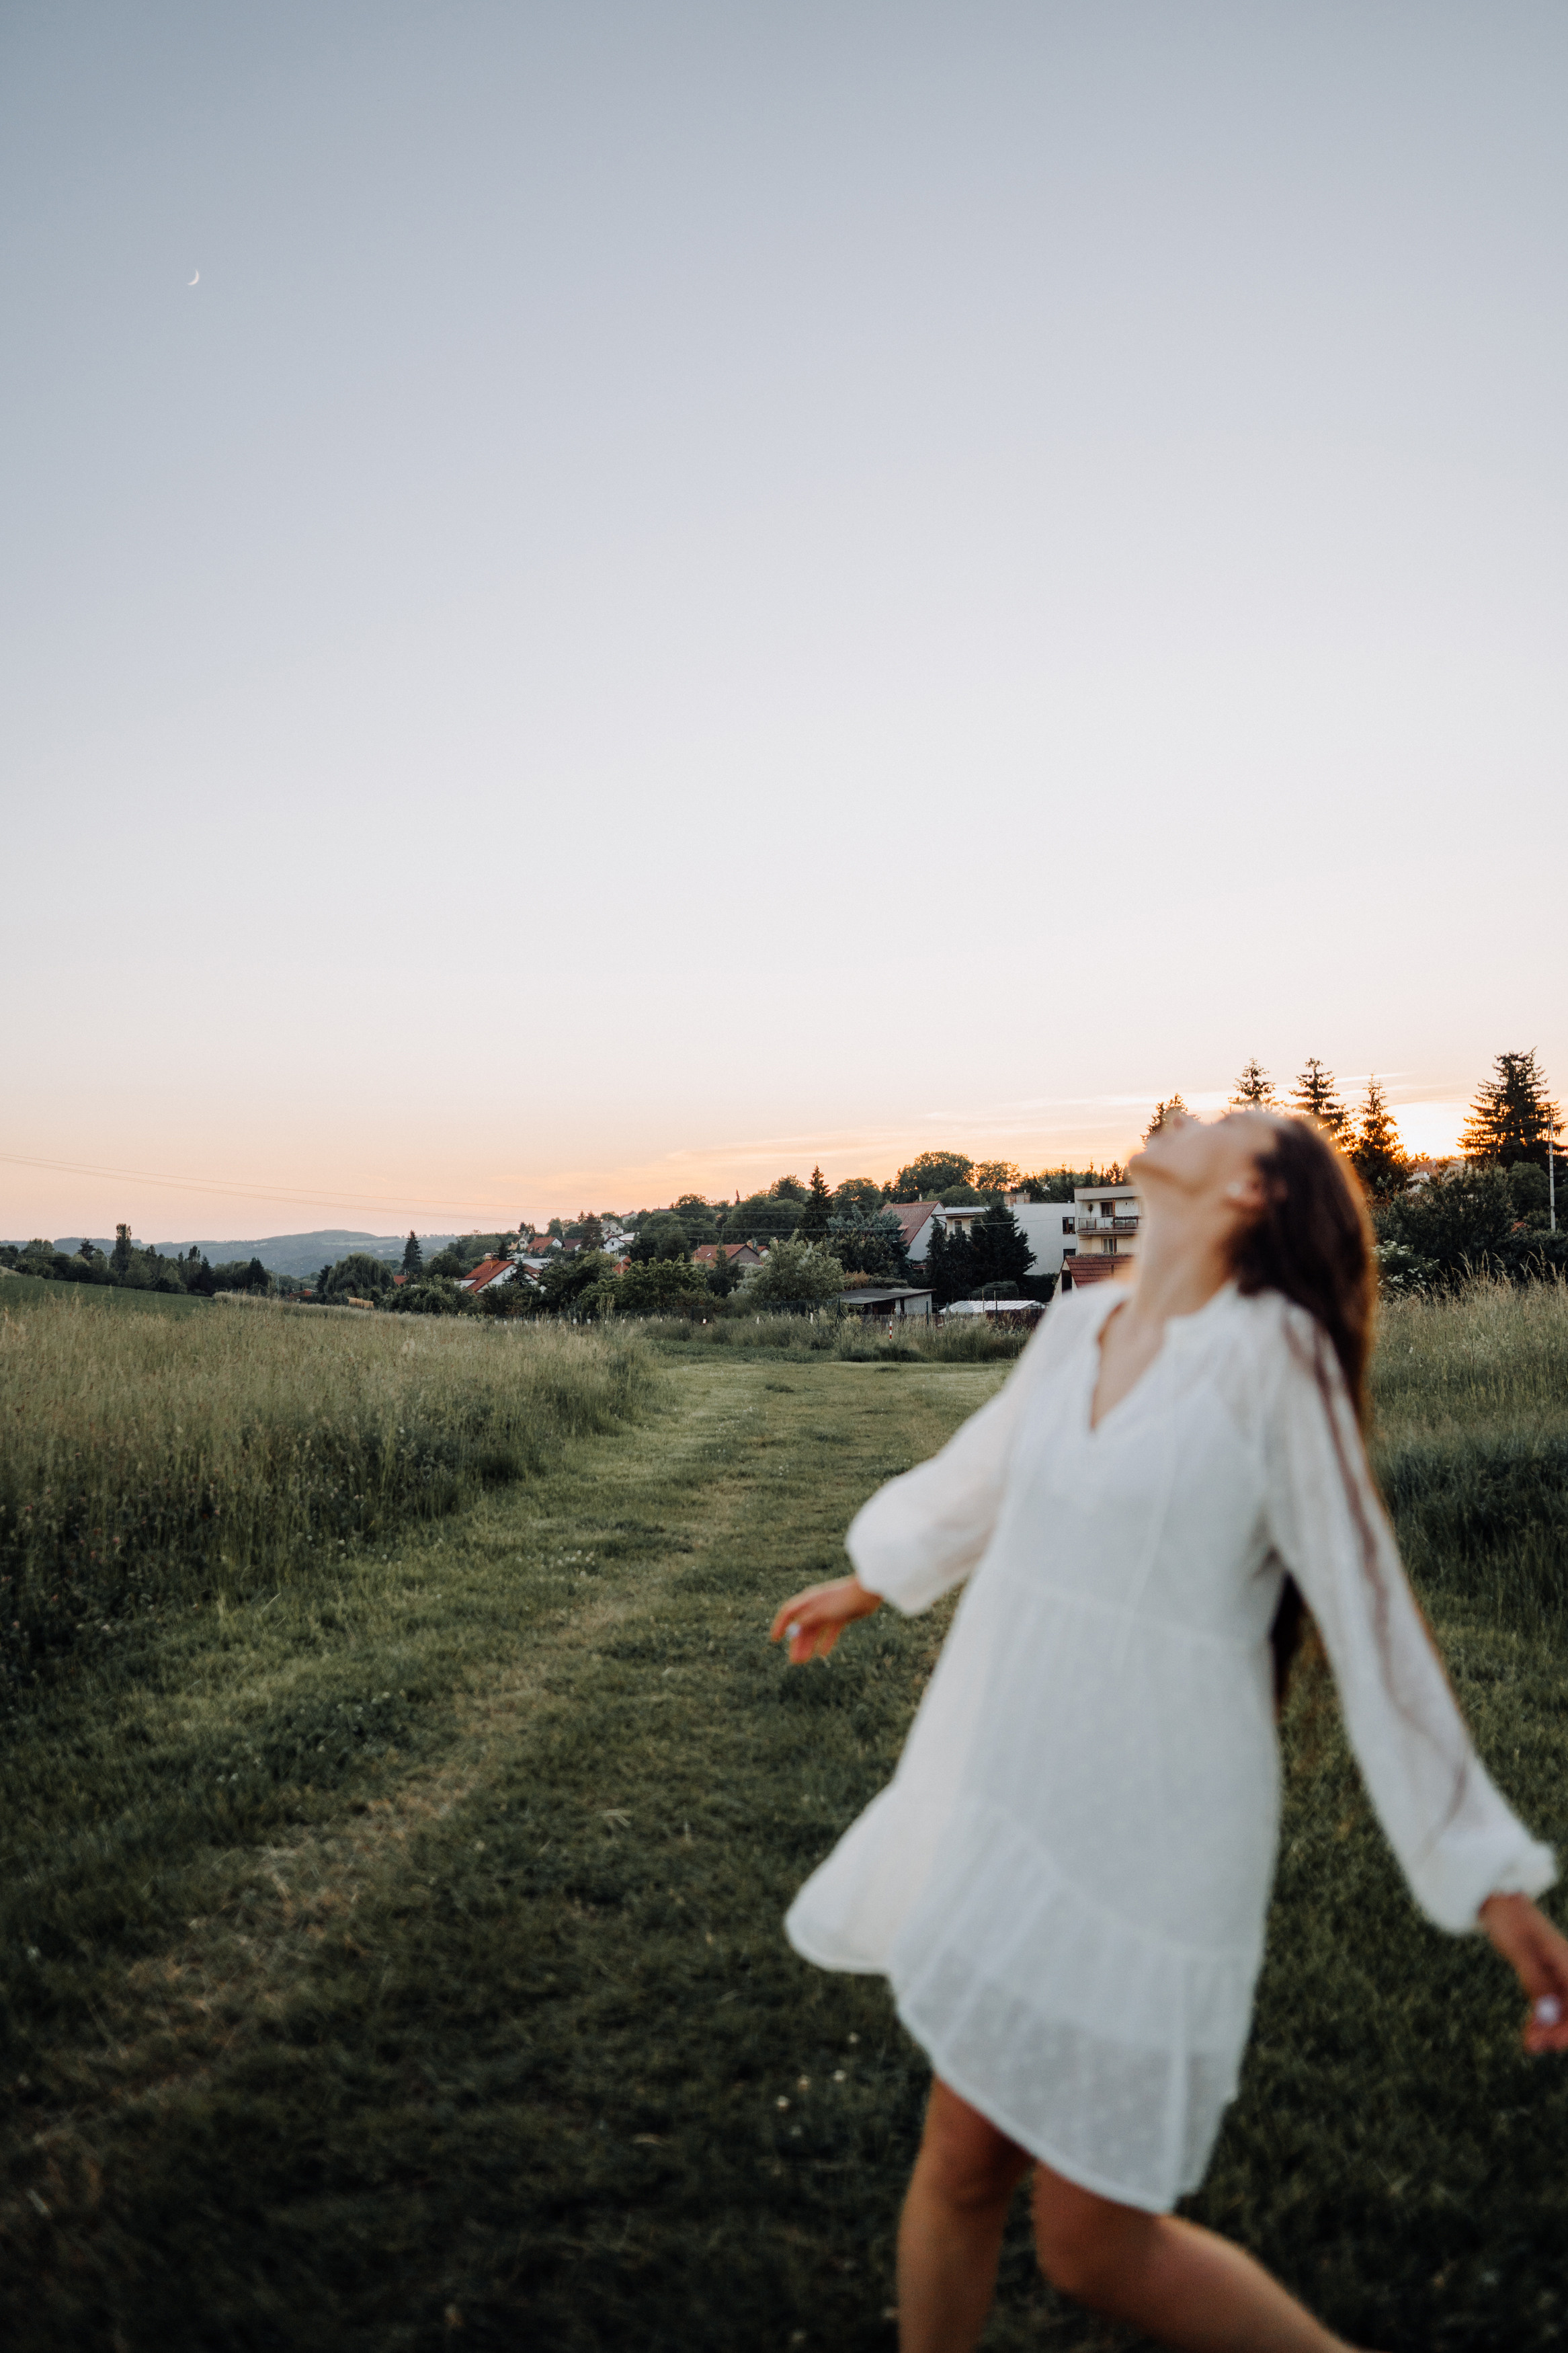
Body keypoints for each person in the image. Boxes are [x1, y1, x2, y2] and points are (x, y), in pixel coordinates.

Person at [770, 1109, 1567, 2353]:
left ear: (1253, 1191)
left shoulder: (1274, 1357)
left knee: (1095, 2246)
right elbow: (988, 1474)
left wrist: (1488, 1880)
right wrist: (871, 1579)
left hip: (1154, 1827)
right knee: (961, 2166)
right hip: (1018, 1782)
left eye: (1224, 1127)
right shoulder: (1084, 1319)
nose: (1185, 1123)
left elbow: (1367, 1616)